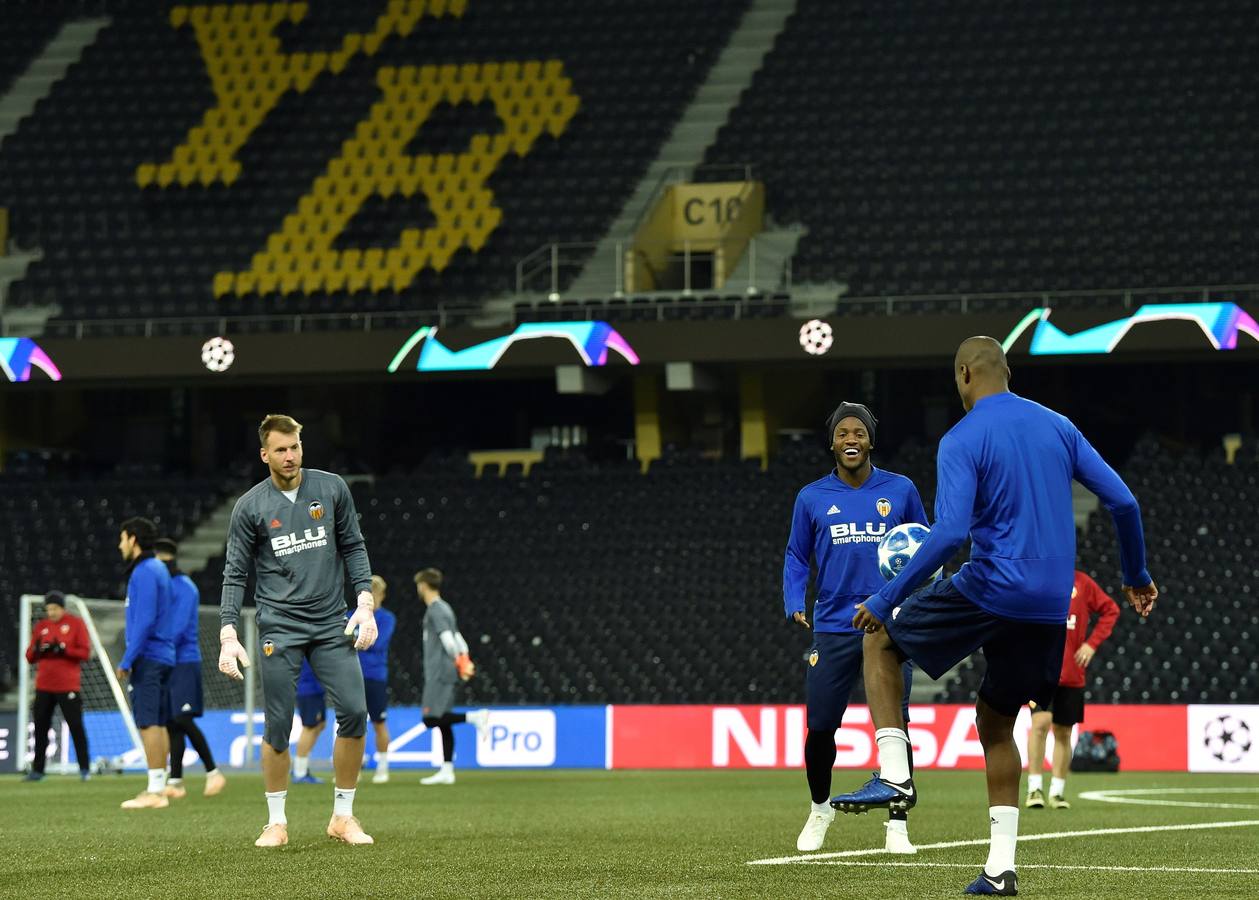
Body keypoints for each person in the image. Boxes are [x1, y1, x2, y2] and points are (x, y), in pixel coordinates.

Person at [832, 336, 1157, 896]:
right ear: (1006, 372)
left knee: (880, 639)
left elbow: (952, 533)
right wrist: (1134, 575)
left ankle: (894, 774)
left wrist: (886, 599)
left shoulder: (962, 437)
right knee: (995, 720)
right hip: (1050, 607)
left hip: (992, 587)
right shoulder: (1059, 426)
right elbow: (1124, 503)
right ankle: (1000, 869)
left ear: (963, 374)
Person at [218, 413, 380, 847]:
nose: (290, 457)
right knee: (276, 725)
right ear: (264, 454)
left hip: (331, 622)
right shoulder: (250, 506)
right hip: (280, 626)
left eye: (295, 448)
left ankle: (342, 817)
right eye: (281, 450)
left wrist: (364, 601)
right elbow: (235, 573)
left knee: (354, 711)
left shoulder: (331, 488)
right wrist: (228, 633)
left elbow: (354, 545)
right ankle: (276, 822)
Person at [783, 402, 927, 854]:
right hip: (832, 625)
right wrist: (793, 600)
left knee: (896, 727)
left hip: (886, 625)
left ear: (870, 441)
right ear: (832, 442)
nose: (851, 439)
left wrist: (912, 602)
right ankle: (820, 807)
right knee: (821, 727)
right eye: (843, 433)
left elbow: (925, 547)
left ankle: (897, 826)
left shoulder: (901, 490)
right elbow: (794, 554)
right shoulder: (810, 497)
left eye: (859, 433)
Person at [1026, 569, 1120, 810]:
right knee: (1039, 725)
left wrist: (1091, 644)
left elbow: (1111, 610)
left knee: (1063, 732)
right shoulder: (1039, 577)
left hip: (1072, 673)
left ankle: (1057, 792)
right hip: (1043, 670)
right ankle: (1034, 788)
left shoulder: (1083, 582)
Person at [154, 537, 226, 799]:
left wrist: (155, 648)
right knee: (172, 722)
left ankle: (213, 772)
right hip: (167, 660)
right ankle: (175, 782)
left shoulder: (184, 587)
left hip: (184, 659)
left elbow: (178, 626)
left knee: (183, 718)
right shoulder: (163, 585)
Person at [117, 516, 179, 810]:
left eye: (122, 538)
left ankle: (154, 791)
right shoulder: (159, 569)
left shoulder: (144, 571)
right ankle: (161, 784)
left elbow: (144, 620)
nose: (120, 545)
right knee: (159, 722)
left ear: (133, 539)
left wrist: (127, 659)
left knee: (148, 722)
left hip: (149, 657)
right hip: (164, 654)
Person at [415, 568, 488, 785]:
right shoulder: (446, 608)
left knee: (430, 719)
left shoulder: (435, 610)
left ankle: (474, 717)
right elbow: (459, 639)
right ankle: (447, 770)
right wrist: (465, 660)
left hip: (439, 671)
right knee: (443, 719)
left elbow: (448, 640)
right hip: (446, 670)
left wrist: (458, 661)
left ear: (424, 586)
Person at [24, 591, 92, 781]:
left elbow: (85, 653)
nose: (51, 613)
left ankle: (84, 769)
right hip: (44, 685)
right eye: (48, 609)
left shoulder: (75, 624)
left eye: (54, 608)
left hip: (68, 685)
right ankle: (38, 771)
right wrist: (39, 649)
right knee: (40, 728)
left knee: (76, 726)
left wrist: (63, 649)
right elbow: (29, 656)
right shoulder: (41, 626)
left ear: (62, 607)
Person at [358, 574, 397, 784]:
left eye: (376, 593)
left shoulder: (387, 618)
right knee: (351, 723)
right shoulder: (352, 615)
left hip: (375, 677)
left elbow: (377, 643)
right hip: (352, 675)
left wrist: (356, 638)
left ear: (382, 595)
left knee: (379, 723)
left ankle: (382, 767)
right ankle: (353, 768)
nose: (373, 597)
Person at [293, 659, 327, 785]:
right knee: (310, 727)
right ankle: (299, 771)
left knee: (320, 725)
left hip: (317, 688)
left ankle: (301, 765)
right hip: (308, 688)